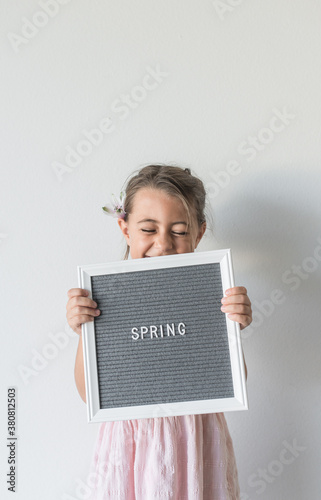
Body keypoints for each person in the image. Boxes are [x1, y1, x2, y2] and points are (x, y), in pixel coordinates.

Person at [66, 164, 252, 499]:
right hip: (129, 442)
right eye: (148, 229)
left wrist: (233, 324)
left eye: (179, 231)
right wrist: (85, 331)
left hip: (195, 439)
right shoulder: (106, 297)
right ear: (125, 229)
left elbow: (236, 381)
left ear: (199, 233)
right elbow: (88, 393)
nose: (163, 243)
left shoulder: (210, 293)